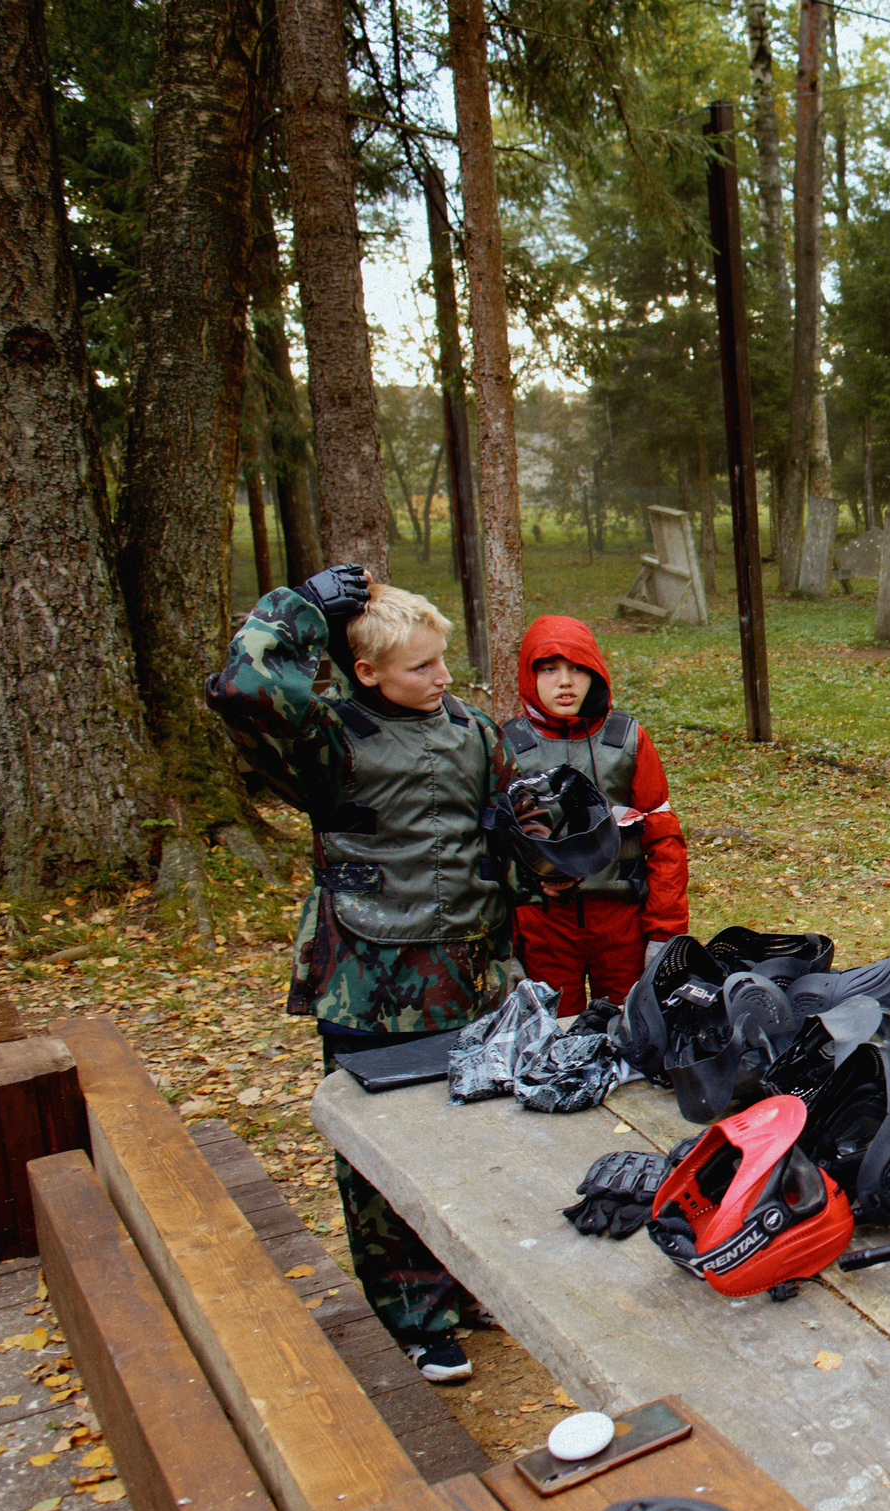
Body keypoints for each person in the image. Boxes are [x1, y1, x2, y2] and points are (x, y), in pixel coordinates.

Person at [207, 567, 523, 1384]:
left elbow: (503, 839)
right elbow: (245, 690)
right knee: (383, 1155)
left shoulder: (474, 731)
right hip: (369, 981)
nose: (442, 677)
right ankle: (414, 1316)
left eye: (443, 659)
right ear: (367, 671)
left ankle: (462, 1284)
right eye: (420, 666)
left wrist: (552, 838)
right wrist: (301, 608)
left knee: (471, 1142)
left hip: (475, 975)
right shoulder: (325, 740)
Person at [504, 616, 689, 1017]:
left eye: (577, 668)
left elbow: (664, 840)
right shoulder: (507, 747)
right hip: (543, 924)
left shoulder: (625, 740)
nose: (565, 681)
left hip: (622, 920)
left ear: (596, 673)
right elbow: (493, 852)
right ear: (529, 674)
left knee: (632, 1030)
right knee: (553, 1035)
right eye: (549, 669)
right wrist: (504, 949)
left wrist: (665, 934)